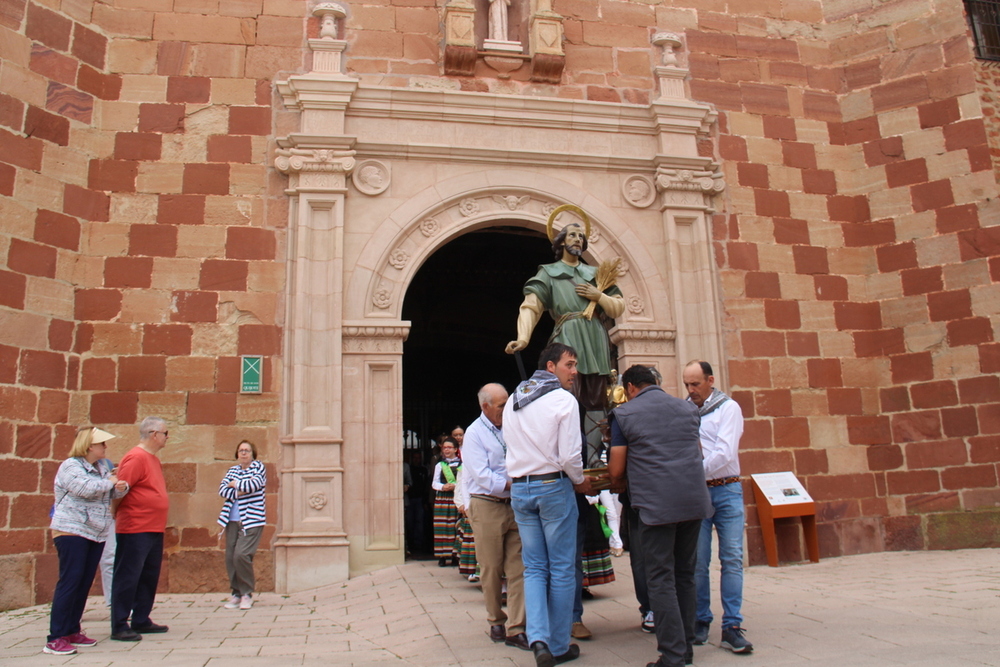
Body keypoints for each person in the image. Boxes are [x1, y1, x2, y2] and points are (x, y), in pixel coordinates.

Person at [609, 365, 713, 667]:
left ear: (629, 388)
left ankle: (672, 655)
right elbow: (698, 452)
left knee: (660, 577)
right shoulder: (687, 409)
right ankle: (687, 648)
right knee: (685, 574)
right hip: (693, 502)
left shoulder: (625, 414)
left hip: (656, 506)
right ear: (654, 382)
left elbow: (616, 470)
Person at [504, 343, 593, 667]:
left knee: (535, 567)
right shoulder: (562, 400)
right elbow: (571, 455)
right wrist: (579, 479)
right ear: (551, 366)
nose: (575, 371)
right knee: (561, 568)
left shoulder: (515, 398)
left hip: (521, 489)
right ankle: (557, 643)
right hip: (552, 487)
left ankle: (537, 637)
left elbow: (508, 446)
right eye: (570, 364)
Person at [683, 360, 754, 654]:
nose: (690, 390)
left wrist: (693, 471)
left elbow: (725, 452)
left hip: (725, 488)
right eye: (687, 384)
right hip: (699, 493)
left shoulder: (728, 408)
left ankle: (732, 626)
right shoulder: (685, 410)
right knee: (698, 561)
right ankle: (700, 620)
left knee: (732, 558)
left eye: (695, 384)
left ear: (710, 380)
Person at [44, 427, 127, 655]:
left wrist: (121, 486)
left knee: (83, 583)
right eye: (102, 444)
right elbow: (85, 488)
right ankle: (55, 637)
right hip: (71, 531)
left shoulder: (101, 467)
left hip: (94, 532)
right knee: (70, 582)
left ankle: (72, 630)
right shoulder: (70, 466)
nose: (105, 448)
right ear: (90, 446)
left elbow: (107, 492)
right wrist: (110, 482)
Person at [462, 383, 529, 651]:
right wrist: (513, 482)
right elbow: (481, 475)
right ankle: (495, 620)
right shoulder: (474, 433)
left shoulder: (513, 425)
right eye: (501, 405)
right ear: (485, 406)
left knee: (519, 568)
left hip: (515, 505)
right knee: (490, 568)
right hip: (487, 504)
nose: (506, 409)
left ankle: (517, 627)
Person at [110, 416, 171, 642]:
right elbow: (120, 490)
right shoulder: (135, 458)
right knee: (128, 575)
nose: (167, 438)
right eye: (165, 433)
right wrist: (115, 513)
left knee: (148, 575)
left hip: (153, 526)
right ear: (154, 434)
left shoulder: (153, 459)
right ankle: (119, 624)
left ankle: (141, 618)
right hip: (135, 526)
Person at [218, 439, 267, 610]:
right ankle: (236, 593)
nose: (244, 453)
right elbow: (222, 490)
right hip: (231, 519)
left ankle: (247, 593)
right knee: (230, 557)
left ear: (253, 453)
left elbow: (254, 484)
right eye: (241, 450)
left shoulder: (258, 467)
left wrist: (235, 485)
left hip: (252, 520)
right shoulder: (233, 470)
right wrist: (240, 488)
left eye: (247, 450)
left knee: (241, 554)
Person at [432, 437, 462, 567]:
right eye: (444, 448)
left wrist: (455, 486)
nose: (447, 450)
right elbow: (434, 482)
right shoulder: (440, 465)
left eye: (449, 447)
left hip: (456, 498)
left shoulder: (462, 464)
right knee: (442, 527)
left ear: (455, 449)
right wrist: (443, 487)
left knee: (455, 526)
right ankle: (442, 555)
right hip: (443, 499)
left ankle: (455, 555)